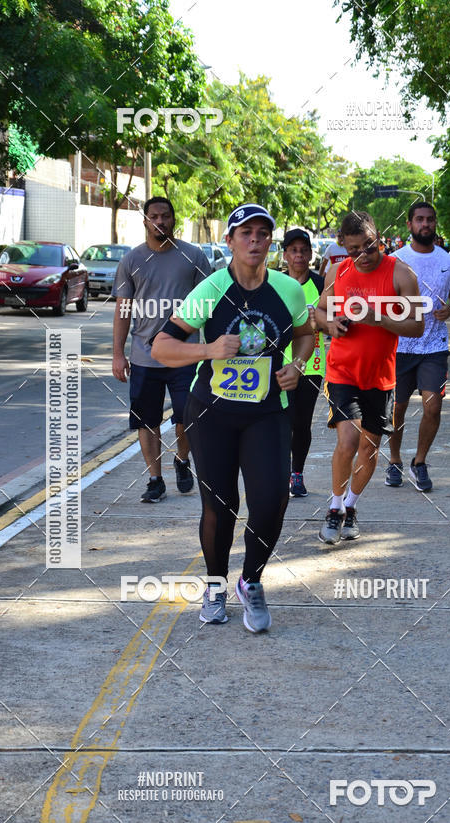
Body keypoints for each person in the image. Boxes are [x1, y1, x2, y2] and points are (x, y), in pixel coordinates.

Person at [151, 203, 314, 633]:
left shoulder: (288, 290)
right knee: (219, 507)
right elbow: (161, 348)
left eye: (263, 234)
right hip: (212, 413)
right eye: (246, 234)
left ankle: (251, 581)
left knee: (272, 501)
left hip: (267, 411)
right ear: (230, 242)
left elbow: (306, 334)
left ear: (270, 243)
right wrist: (207, 350)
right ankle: (215, 586)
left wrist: (297, 366)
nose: (255, 241)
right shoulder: (210, 290)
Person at [314, 211, 423, 544]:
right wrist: (329, 323)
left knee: (369, 448)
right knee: (347, 442)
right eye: (353, 250)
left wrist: (380, 319)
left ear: (380, 240)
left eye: (369, 247)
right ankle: (334, 508)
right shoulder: (336, 271)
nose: (361, 256)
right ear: (343, 247)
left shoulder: (401, 274)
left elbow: (417, 326)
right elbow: (319, 312)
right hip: (342, 370)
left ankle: (351, 506)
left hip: (380, 377)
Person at [112, 197, 210, 502]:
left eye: (166, 216)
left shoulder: (193, 256)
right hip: (144, 355)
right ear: (145, 221)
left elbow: (211, 303)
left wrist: (210, 349)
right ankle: (155, 480)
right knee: (146, 420)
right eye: (154, 216)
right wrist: (118, 354)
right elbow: (123, 311)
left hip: (185, 354)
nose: (160, 221)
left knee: (187, 416)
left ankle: (182, 459)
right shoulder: (131, 261)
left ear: (174, 219)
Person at [387, 201, 450, 492]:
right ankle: (394, 461)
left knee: (433, 408)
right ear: (409, 225)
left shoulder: (448, 261)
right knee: (398, 408)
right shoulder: (395, 260)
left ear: (435, 223)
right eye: (419, 219)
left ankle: (419, 462)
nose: (425, 224)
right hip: (400, 346)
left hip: (434, 346)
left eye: (430, 219)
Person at [281, 228, 325, 497]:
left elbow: (332, 321)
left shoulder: (321, 285)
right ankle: (280, 471)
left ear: (310, 254)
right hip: (277, 363)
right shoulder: (274, 283)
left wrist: (316, 319)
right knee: (280, 421)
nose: (299, 255)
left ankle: (296, 473)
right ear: (285, 255)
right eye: (293, 250)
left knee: (301, 423)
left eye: (303, 250)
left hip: (311, 364)